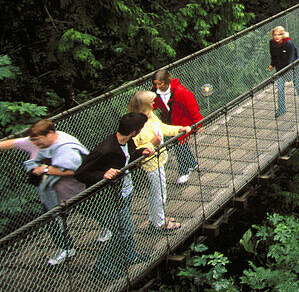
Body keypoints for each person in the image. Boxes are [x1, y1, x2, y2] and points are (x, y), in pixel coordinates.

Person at [2, 120, 97, 265]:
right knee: (50, 221)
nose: (36, 144)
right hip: (50, 194)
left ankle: (109, 229)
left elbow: (76, 169)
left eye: (38, 140)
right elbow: (13, 143)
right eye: (33, 141)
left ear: (50, 134)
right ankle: (66, 248)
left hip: (74, 190)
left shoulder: (65, 146)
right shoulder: (35, 141)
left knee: (91, 211)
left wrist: (45, 170)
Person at [75, 112, 152, 280]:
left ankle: (130, 255)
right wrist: (103, 175)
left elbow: (127, 158)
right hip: (104, 201)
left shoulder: (128, 142)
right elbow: (80, 174)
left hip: (123, 192)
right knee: (121, 231)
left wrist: (141, 153)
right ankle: (102, 266)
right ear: (134, 131)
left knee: (126, 226)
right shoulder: (104, 150)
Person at [129, 91, 192, 231]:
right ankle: (159, 223)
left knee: (155, 193)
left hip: (159, 161)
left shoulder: (151, 117)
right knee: (159, 193)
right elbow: (134, 150)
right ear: (145, 105)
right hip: (150, 165)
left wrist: (179, 129)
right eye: (151, 101)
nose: (154, 103)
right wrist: (152, 143)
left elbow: (162, 128)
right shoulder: (137, 127)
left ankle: (156, 217)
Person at [151, 68, 202, 184]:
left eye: (160, 84)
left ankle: (184, 171)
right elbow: (152, 105)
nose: (158, 86)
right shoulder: (154, 92)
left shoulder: (180, 91)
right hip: (169, 121)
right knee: (180, 144)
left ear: (167, 81)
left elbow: (192, 107)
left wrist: (199, 123)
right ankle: (192, 164)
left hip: (181, 121)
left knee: (179, 144)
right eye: (156, 84)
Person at [270, 26, 299, 117]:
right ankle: (281, 109)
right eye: (275, 35)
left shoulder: (288, 44)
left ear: (283, 35)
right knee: (280, 89)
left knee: (297, 84)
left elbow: (292, 57)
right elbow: (273, 56)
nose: (277, 37)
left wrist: (289, 68)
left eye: (279, 35)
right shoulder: (272, 43)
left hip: (292, 68)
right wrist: (272, 64)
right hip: (280, 70)